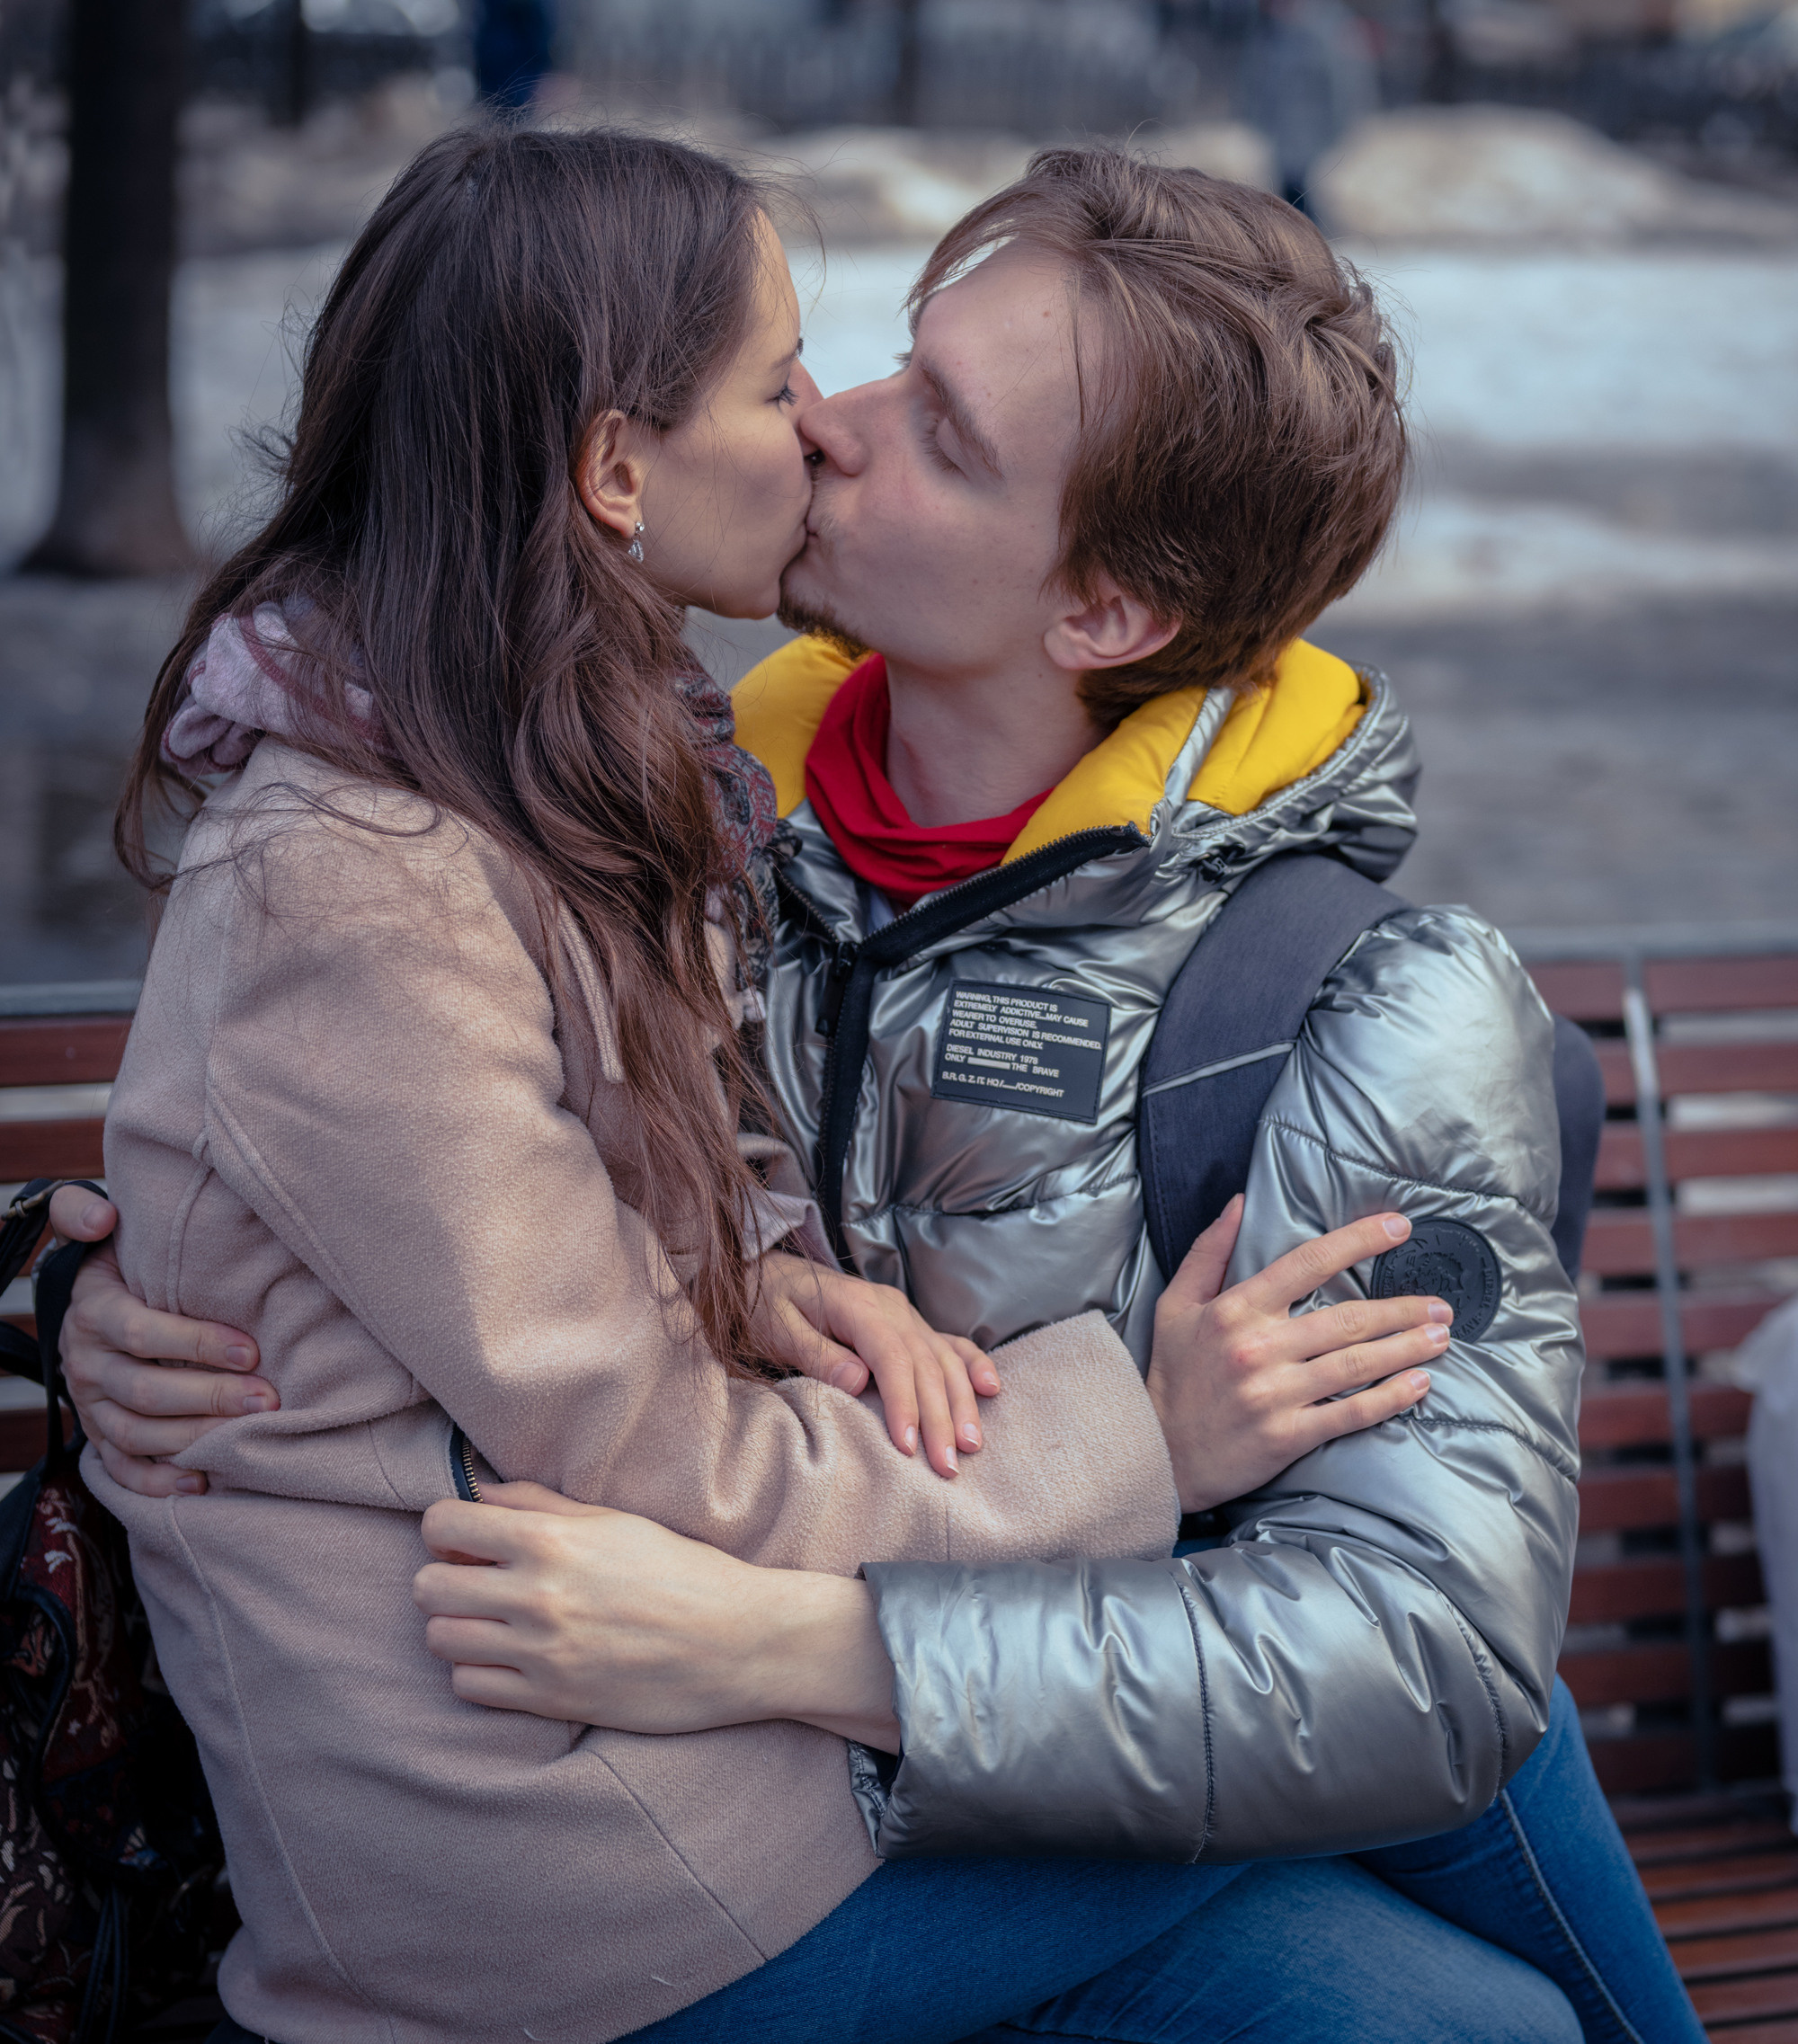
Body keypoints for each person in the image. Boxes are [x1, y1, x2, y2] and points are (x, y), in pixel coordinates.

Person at [52, 138, 1699, 2040]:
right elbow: (300, 1149)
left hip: (791, 1735)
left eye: (939, 428)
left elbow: (1413, 1666)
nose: (826, 425)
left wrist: (799, 1645)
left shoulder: (1339, 998)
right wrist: (85, 1285)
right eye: (851, 362)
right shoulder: (663, 827)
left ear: (1103, 610)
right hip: (640, 1821)